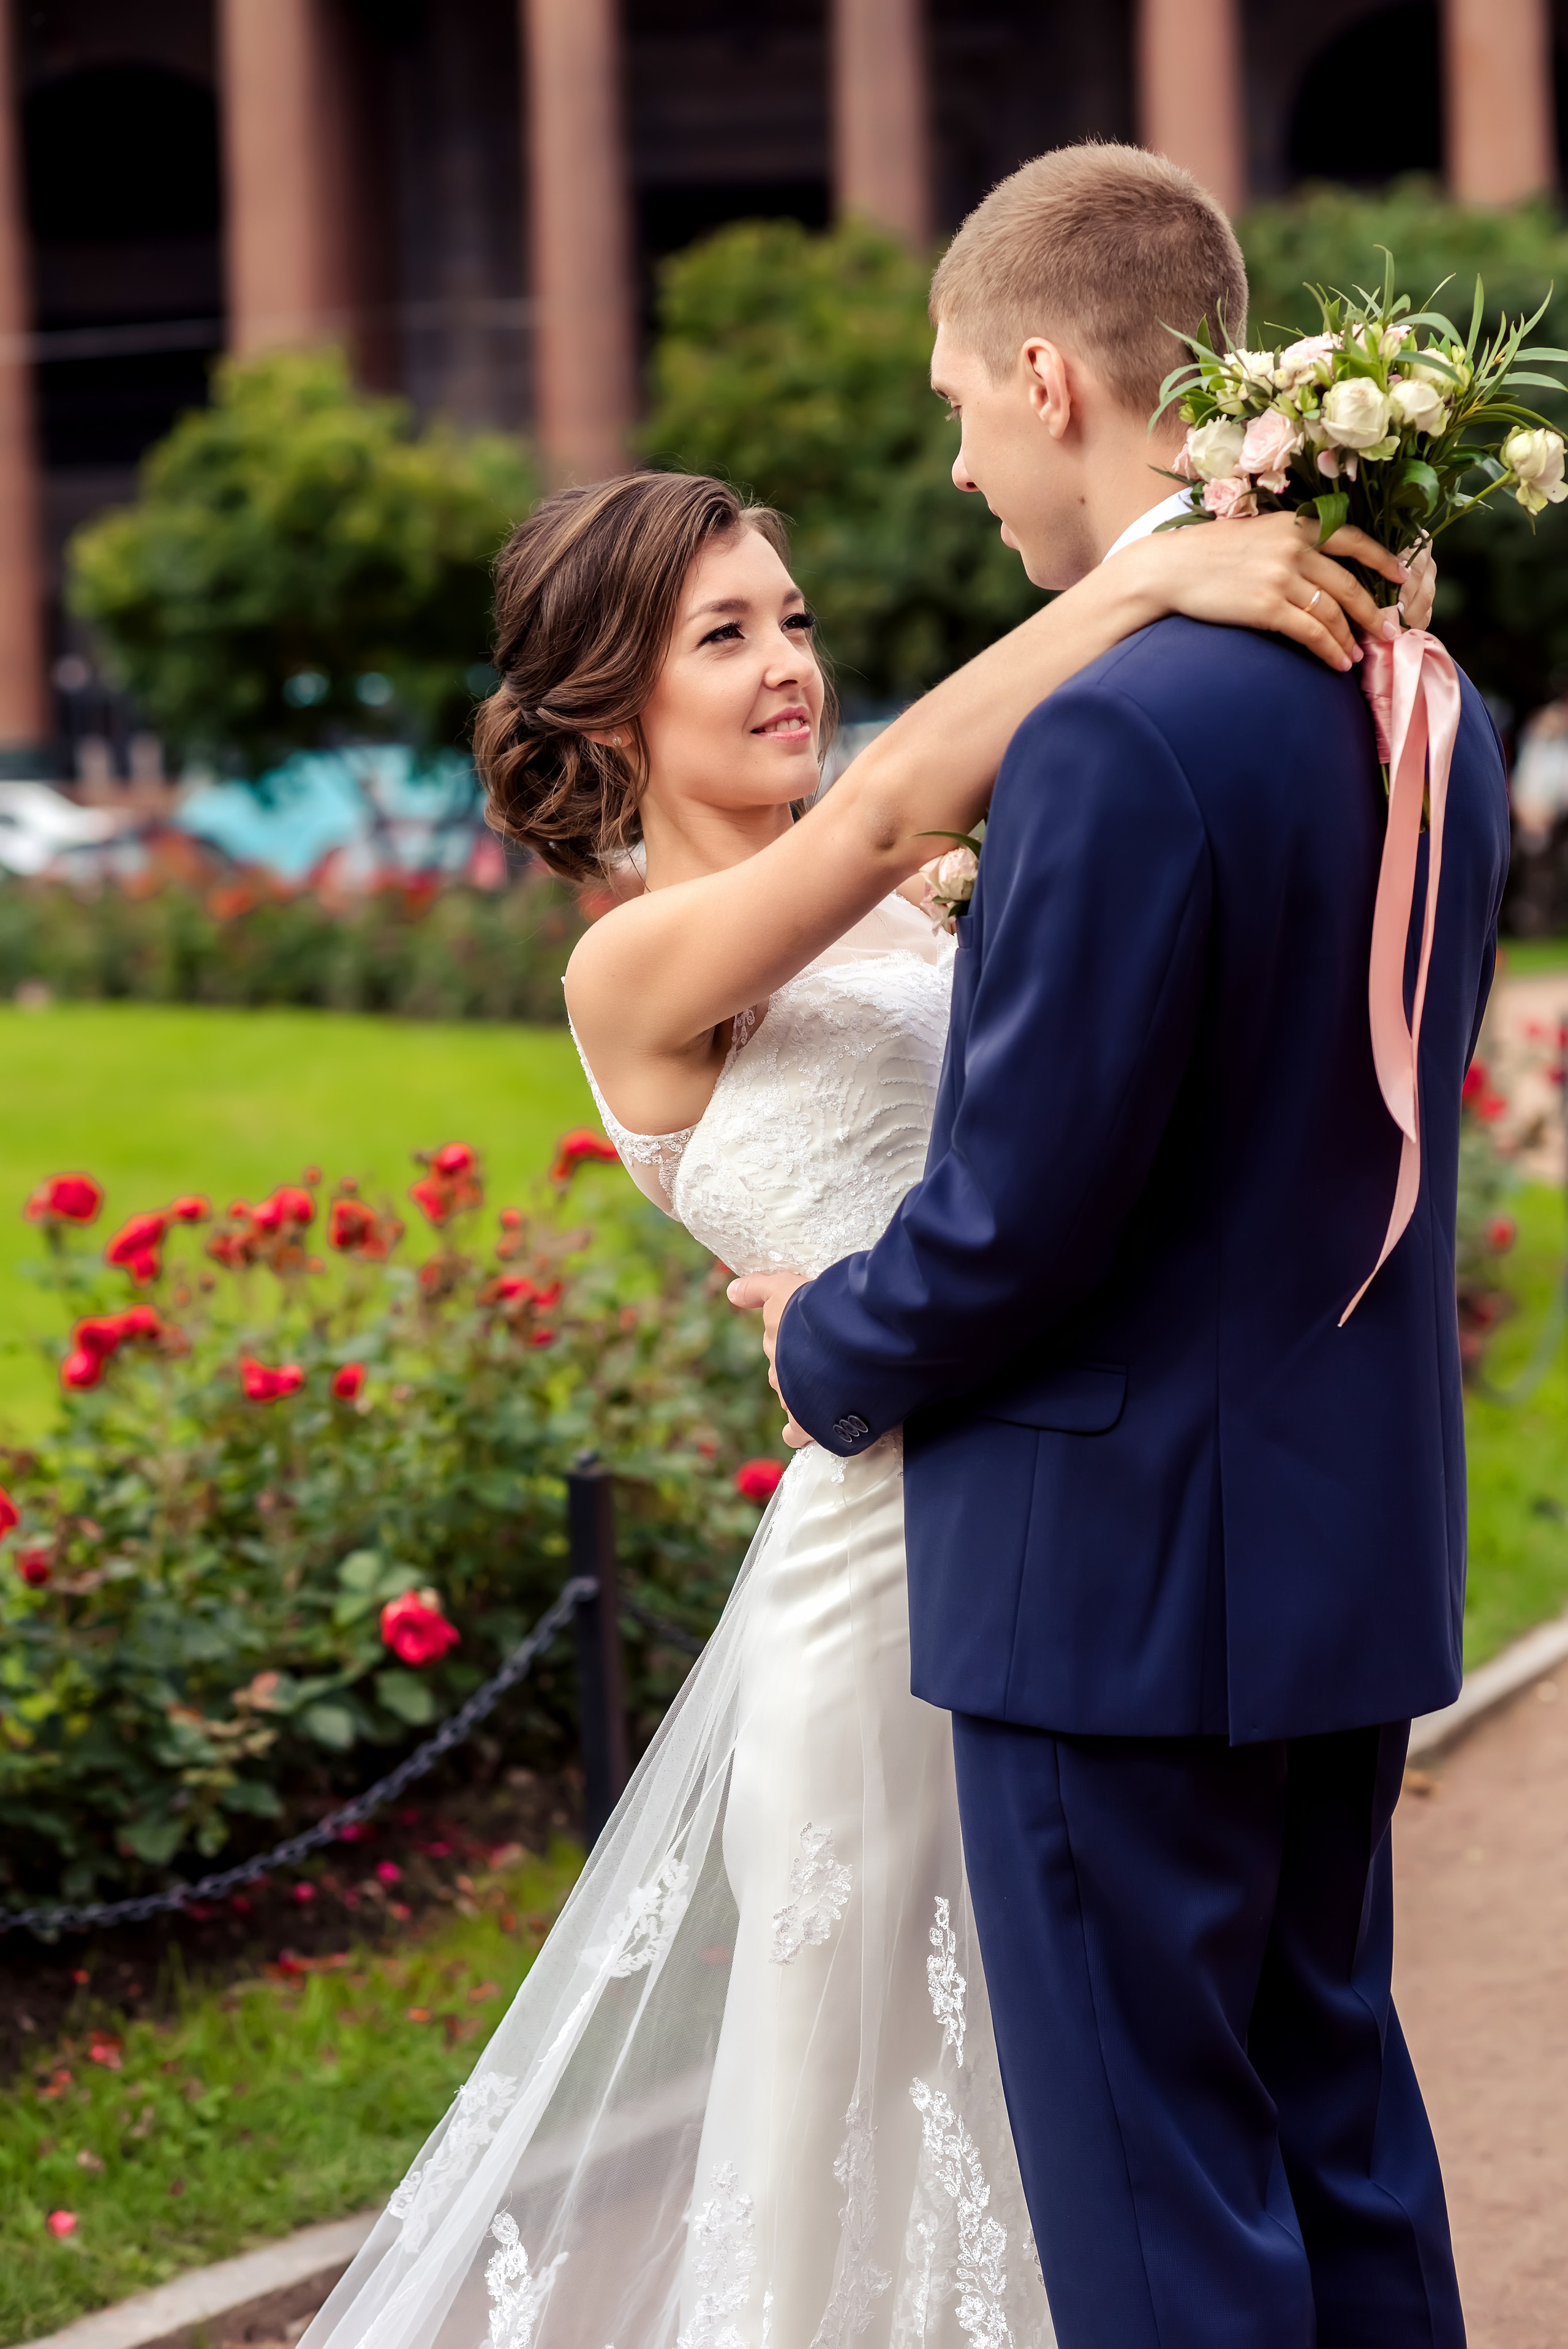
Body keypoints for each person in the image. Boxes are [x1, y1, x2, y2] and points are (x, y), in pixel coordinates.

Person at [299, 176, 1423, 2349]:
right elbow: (890, 810)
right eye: (726, 634)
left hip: (1072, 1521)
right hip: (892, 1571)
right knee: (873, 2130)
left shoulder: (925, 898)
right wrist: (1164, 567)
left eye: (793, 615)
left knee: (1088, 2125)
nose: (793, 658)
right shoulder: (638, 968)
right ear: (609, 711)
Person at [739, 145, 1509, 2349]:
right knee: (1338, 2132)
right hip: (1343, 1541)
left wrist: (823, 1338)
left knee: (1157, 2208)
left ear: (1055, 377)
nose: (960, 457)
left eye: (962, 400)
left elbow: (1011, 1225)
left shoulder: (1108, 735)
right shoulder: (1425, 699)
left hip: (1111, 1577)